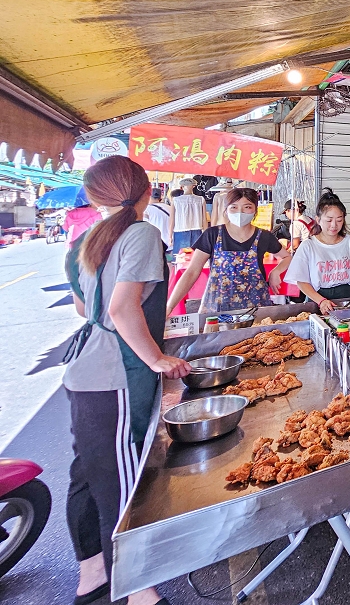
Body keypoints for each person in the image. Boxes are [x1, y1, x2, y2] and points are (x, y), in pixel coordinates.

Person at [62, 155, 191, 605]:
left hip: (86, 372)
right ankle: (139, 593)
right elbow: (120, 309)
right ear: (145, 190)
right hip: (114, 375)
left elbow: (87, 309)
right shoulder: (141, 233)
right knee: (120, 478)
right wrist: (155, 358)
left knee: (89, 473)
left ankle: (93, 575)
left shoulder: (90, 239)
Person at [166, 187, 291, 314]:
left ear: (255, 210)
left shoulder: (264, 236)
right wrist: (169, 307)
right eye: (234, 207)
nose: (240, 212)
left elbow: (287, 257)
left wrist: (276, 272)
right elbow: (191, 272)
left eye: (247, 207)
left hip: (256, 308)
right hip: (217, 308)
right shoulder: (212, 235)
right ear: (226, 210)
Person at [285, 189, 350, 312]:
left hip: (346, 297)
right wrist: (321, 301)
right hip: (316, 299)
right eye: (329, 220)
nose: (334, 225)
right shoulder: (308, 246)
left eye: (339, 220)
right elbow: (301, 281)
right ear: (318, 220)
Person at [168, 178, 207, 254]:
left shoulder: (176, 200)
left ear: (182, 186)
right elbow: (204, 219)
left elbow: (172, 219)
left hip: (180, 230)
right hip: (197, 230)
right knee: (195, 256)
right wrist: (205, 233)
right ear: (193, 186)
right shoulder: (200, 199)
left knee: (181, 257)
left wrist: (170, 235)